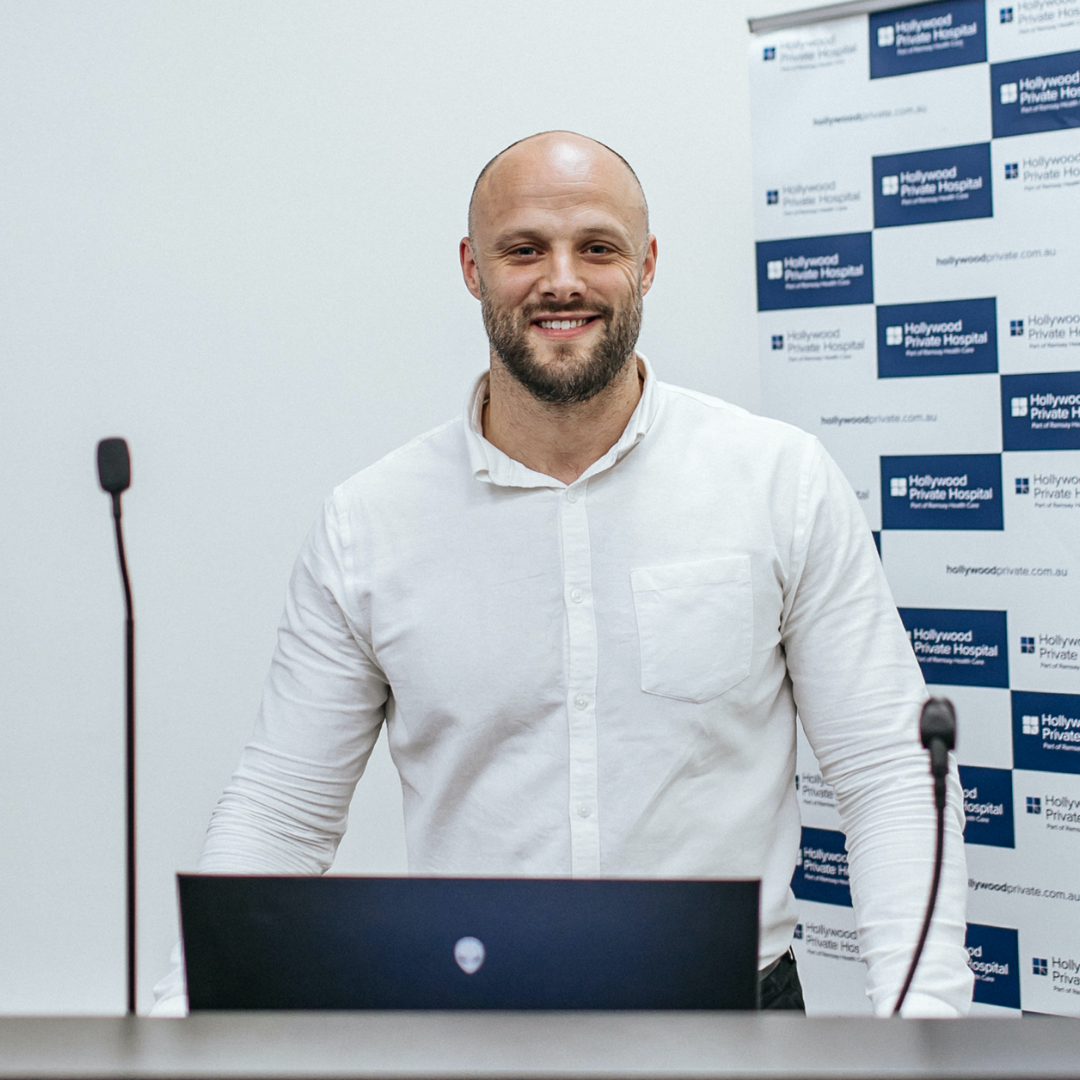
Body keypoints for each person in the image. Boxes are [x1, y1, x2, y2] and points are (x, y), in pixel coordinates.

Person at [152, 131, 972, 1017]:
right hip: (474, 1018)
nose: (562, 280)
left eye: (598, 247)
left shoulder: (780, 481)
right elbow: (282, 811)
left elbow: (890, 775)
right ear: (472, 268)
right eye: (524, 250)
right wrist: (176, 1026)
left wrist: (919, 1026)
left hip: (736, 1019)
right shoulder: (370, 522)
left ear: (646, 264)